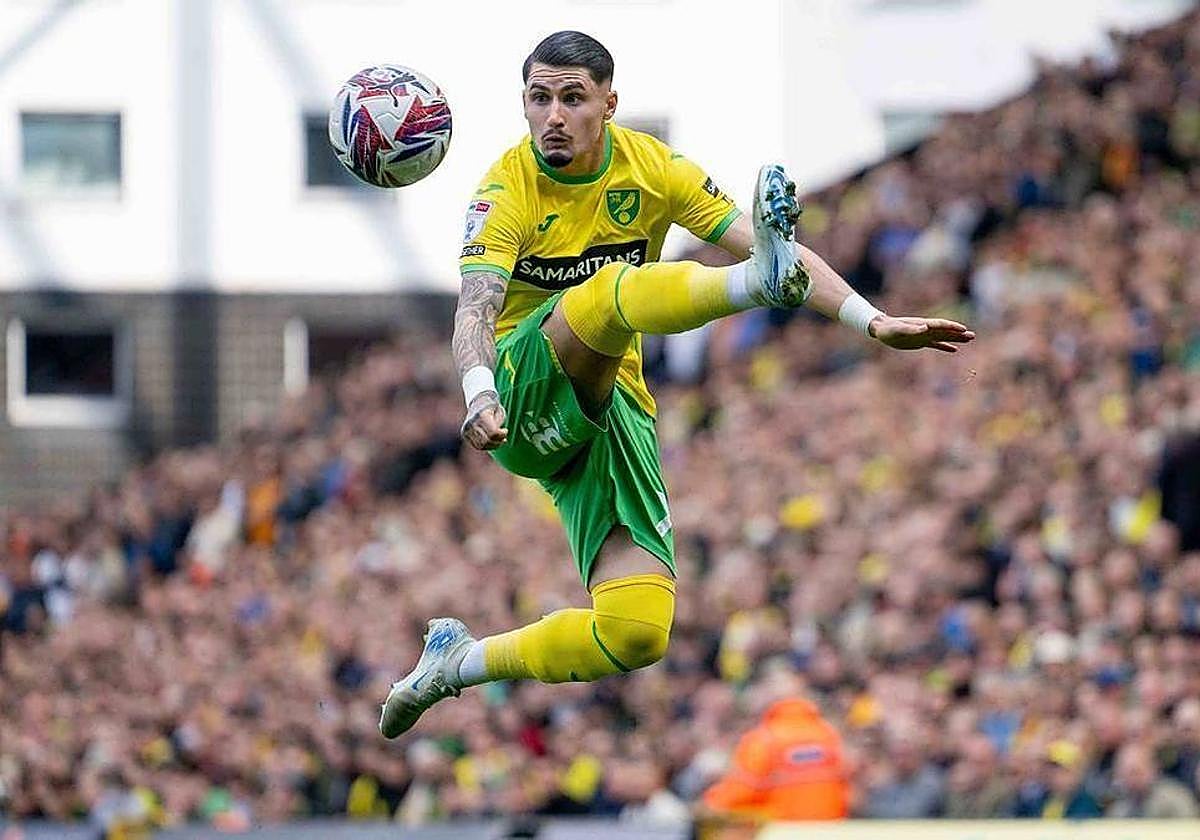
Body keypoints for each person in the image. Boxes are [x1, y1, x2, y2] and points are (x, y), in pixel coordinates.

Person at [379, 30, 974, 738]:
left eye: (573, 98)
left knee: (637, 629)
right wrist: (478, 391)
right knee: (608, 294)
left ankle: (457, 663)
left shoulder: (652, 168)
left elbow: (766, 238)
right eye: (539, 99)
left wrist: (872, 321)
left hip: (609, 413)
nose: (554, 116)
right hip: (516, 392)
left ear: (609, 103)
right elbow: (474, 306)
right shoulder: (507, 188)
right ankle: (753, 288)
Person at [701, 696, 850, 821]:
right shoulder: (829, 736)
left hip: (783, 830)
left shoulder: (765, 740)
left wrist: (712, 803)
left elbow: (742, 789)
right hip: (830, 829)